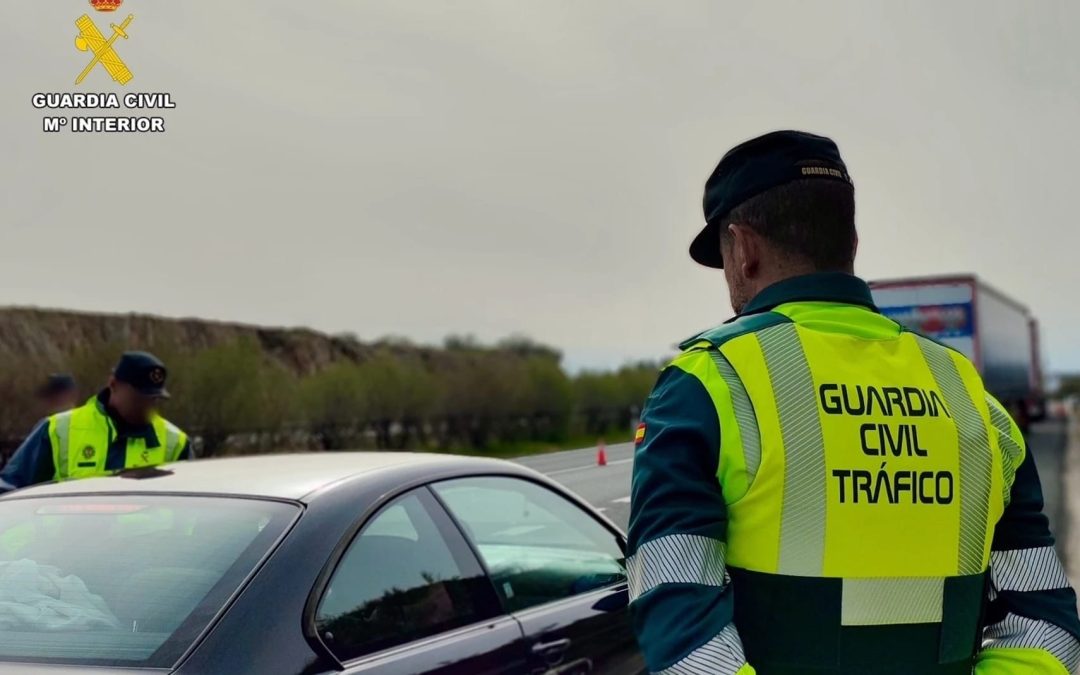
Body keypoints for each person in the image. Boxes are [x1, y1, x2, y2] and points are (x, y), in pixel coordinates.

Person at [627, 131, 1080, 675]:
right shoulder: (968, 394)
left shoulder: (707, 385)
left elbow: (685, 644)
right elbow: (1049, 630)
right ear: (853, 243)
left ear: (743, 249)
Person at [0, 351, 191, 491]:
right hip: (68, 545)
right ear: (114, 385)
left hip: (148, 545)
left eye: (153, 399)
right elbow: (11, 491)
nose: (146, 406)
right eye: (138, 398)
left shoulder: (176, 442)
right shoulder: (58, 430)